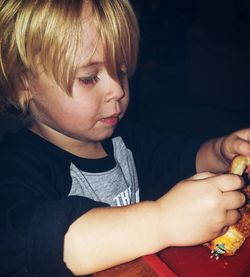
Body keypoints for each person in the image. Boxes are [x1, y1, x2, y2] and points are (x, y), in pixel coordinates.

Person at [0, 1, 249, 276]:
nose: (117, 89)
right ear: (22, 85)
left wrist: (221, 151)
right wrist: (161, 221)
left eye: (120, 71)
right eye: (89, 77)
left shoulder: (123, 138)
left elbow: (176, 157)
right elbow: (20, 242)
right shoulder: (14, 164)